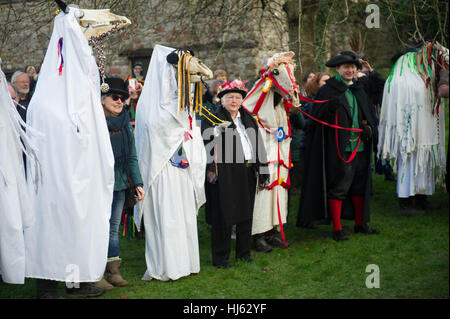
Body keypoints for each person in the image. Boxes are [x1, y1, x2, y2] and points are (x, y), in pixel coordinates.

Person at [24, 9, 118, 298]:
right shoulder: (45, 103)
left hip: (82, 176)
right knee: (52, 227)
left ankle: (77, 280)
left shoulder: (84, 98)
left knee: (80, 225)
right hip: (54, 181)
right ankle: (47, 283)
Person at [134, 45, 209, 281]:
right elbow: (155, 131)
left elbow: (191, 128)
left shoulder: (182, 102)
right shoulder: (151, 105)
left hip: (182, 167)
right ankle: (166, 266)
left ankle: (186, 263)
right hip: (161, 169)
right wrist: (179, 133)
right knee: (166, 218)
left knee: (184, 216)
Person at [297, 50, 380, 241]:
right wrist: (329, 109)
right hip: (338, 149)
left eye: (353, 67)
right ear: (337, 69)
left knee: (360, 186)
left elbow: (371, 105)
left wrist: (369, 129)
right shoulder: (328, 90)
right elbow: (317, 121)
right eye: (346, 67)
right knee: (339, 186)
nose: (350, 70)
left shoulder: (359, 88)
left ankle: (360, 224)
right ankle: (337, 228)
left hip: (360, 146)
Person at [202, 80, 269, 268]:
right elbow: (205, 140)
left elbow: (258, 144)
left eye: (238, 97)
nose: (234, 100)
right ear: (221, 99)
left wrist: (262, 169)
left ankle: (243, 253)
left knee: (246, 213)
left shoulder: (247, 118)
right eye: (230, 97)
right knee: (223, 214)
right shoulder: (214, 117)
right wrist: (216, 132)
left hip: (248, 170)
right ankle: (221, 258)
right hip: (226, 172)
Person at [94, 77, 145, 290]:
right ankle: (94, 273)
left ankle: (113, 271)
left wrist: (138, 182)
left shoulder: (124, 122)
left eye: (122, 98)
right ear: (102, 98)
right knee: (96, 228)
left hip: (120, 182)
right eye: (115, 97)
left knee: (113, 228)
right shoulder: (94, 122)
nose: (119, 101)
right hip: (98, 183)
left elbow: (132, 155)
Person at [295, 72, 331, 229]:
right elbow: (305, 123)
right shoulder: (310, 102)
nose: (327, 84)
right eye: (324, 81)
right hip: (310, 145)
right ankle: (309, 217)